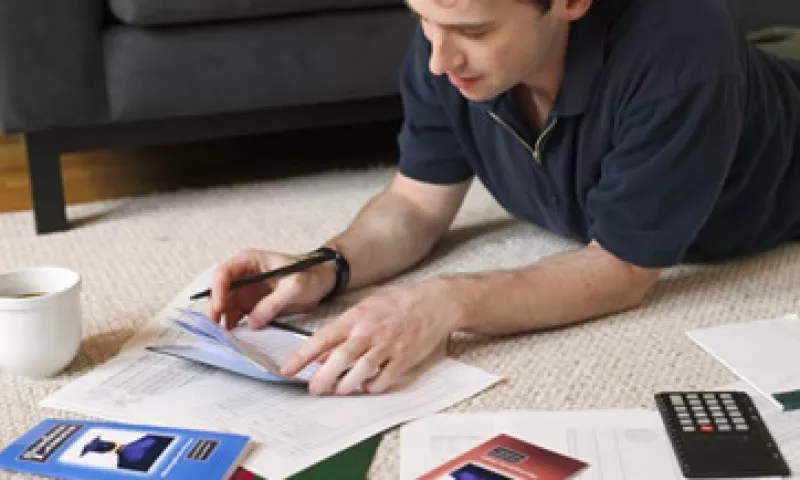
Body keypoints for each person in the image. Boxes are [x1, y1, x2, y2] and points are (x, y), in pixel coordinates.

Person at [209, 0, 800, 396]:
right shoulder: (444, 48)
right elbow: (415, 206)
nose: (440, 59)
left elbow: (622, 270)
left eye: (474, 31)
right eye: (423, 19)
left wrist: (443, 302)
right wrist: (324, 266)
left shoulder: (682, 54)